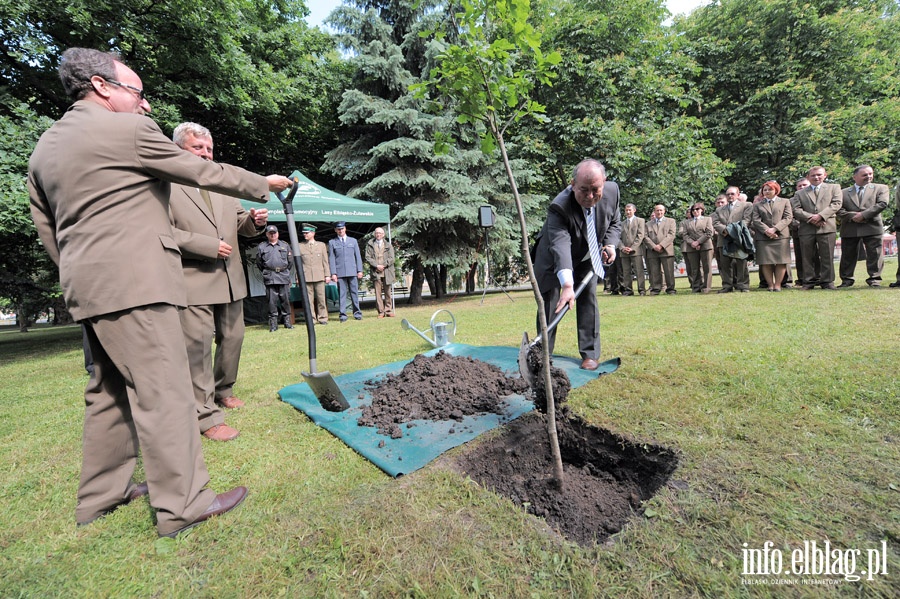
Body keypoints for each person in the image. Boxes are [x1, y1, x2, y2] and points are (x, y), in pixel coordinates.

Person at [27, 48, 292, 537]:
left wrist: (82, 275)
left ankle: (102, 495)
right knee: (166, 393)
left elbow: (49, 228)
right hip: (138, 286)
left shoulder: (44, 147)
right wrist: (263, 183)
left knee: (108, 391)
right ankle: (185, 504)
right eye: (138, 92)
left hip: (89, 287)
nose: (145, 106)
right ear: (102, 86)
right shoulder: (126, 131)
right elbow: (199, 171)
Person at [169, 122, 268, 442]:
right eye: (198, 148)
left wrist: (253, 222)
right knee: (197, 346)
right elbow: (160, 229)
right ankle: (204, 414)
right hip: (193, 277)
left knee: (234, 337)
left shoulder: (221, 184)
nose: (206, 154)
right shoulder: (166, 183)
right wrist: (205, 246)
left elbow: (240, 223)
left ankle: (223, 389)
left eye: (209, 149)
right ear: (179, 149)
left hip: (230, 277)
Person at [532, 159, 621, 370]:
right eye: (583, 190)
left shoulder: (612, 192)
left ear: (604, 182)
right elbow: (560, 246)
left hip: (587, 256)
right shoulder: (559, 207)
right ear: (573, 184)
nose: (590, 196)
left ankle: (590, 354)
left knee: (588, 299)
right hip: (553, 259)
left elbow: (615, 222)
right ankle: (543, 355)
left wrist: (610, 245)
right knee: (552, 304)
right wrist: (567, 286)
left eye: (595, 190)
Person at [790, 166, 842, 290]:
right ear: (808, 177)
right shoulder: (799, 193)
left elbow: (837, 204)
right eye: (813, 175)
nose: (816, 177)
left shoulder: (834, 188)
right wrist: (811, 218)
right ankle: (808, 282)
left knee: (827, 256)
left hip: (826, 226)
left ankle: (827, 282)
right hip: (807, 228)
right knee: (807, 257)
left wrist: (821, 216)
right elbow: (796, 209)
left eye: (819, 175)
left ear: (825, 175)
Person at [838, 165, 888, 287]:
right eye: (865, 175)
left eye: (870, 174)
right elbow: (838, 208)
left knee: (875, 254)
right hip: (850, 227)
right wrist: (853, 216)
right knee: (847, 255)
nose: (869, 177)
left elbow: (882, 204)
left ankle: (874, 279)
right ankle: (847, 280)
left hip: (872, 226)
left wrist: (864, 215)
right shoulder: (843, 192)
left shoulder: (881, 188)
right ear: (855, 177)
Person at [750, 181, 793, 292]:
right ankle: (770, 284)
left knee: (781, 261)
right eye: (765, 190)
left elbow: (788, 218)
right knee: (765, 261)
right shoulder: (757, 205)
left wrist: (775, 229)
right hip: (763, 237)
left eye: (770, 189)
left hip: (781, 236)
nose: (767, 191)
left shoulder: (785, 201)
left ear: (776, 190)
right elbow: (756, 220)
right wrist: (767, 230)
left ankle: (778, 285)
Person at [712, 186, 753, 292]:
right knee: (725, 264)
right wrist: (725, 231)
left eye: (732, 194)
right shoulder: (719, 209)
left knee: (741, 263)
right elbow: (716, 223)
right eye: (728, 194)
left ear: (738, 195)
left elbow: (746, 220)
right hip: (724, 238)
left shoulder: (746, 206)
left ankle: (743, 285)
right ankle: (727, 286)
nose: (730, 196)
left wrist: (733, 231)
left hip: (739, 238)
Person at [256, 225, 294, 331]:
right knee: (271, 301)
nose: (273, 235)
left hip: (283, 275)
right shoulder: (262, 247)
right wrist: (268, 271)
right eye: (270, 233)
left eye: (274, 233)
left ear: (278, 234)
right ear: (267, 234)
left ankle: (287, 322)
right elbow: (259, 263)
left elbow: (290, 262)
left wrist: (283, 270)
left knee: (285, 299)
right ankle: (273, 324)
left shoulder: (285, 245)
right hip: (270, 276)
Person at [328, 222, 364, 322]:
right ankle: (343, 314)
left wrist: (360, 270)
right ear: (335, 230)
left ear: (345, 229)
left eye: (342, 228)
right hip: (340, 272)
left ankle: (357, 313)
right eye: (338, 229)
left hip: (352, 271)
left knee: (354, 293)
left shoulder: (353, 241)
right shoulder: (332, 242)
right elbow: (331, 258)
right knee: (342, 294)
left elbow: (358, 257)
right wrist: (333, 273)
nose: (340, 231)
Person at [298, 223, 331, 324]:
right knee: (308, 300)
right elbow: (298, 264)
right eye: (304, 233)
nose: (305, 235)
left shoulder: (321, 245)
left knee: (321, 299)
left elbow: (325, 261)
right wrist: (298, 277)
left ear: (313, 233)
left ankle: (323, 318)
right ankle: (311, 319)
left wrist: (327, 275)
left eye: (307, 233)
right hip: (306, 276)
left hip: (319, 276)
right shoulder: (300, 246)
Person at [680, 202, 715, 293]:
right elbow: (685, 235)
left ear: (702, 210)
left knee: (706, 267)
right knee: (694, 268)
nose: (695, 211)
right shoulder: (687, 222)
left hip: (706, 246)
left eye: (697, 209)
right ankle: (696, 287)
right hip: (691, 247)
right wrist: (693, 243)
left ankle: (706, 287)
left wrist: (698, 242)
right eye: (693, 210)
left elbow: (709, 232)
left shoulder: (707, 219)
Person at [643, 204, 677, 295]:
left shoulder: (671, 221)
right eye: (657, 210)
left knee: (669, 271)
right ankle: (655, 289)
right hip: (653, 251)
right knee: (654, 271)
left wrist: (661, 245)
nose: (659, 212)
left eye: (661, 210)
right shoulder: (648, 224)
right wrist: (654, 246)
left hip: (666, 250)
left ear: (664, 211)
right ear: (654, 211)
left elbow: (671, 235)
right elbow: (645, 237)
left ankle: (670, 289)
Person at [364, 227, 396, 318]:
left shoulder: (388, 245)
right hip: (376, 271)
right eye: (377, 233)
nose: (378, 234)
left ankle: (388, 310)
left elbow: (392, 258)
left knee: (388, 292)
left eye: (380, 233)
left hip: (387, 271)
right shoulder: (370, 244)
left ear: (383, 235)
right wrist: (376, 266)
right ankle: (381, 312)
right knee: (378, 293)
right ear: (374, 234)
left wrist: (383, 265)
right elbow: (368, 257)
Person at [617, 203, 646, 296]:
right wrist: (622, 248)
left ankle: (641, 290)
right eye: (626, 210)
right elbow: (618, 238)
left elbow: (640, 235)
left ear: (634, 210)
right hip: (624, 252)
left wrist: (632, 248)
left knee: (639, 271)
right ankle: (628, 290)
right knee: (626, 272)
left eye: (630, 210)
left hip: (636, 251)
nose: (628, 212)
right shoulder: (621, 224)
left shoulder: (640, 221)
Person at [791, 177, 815, 287]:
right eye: (799, 186)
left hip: (816, 228)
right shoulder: (791, 200)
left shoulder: (815, 197)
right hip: (798, 231)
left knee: (816, 255)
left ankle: (818, 277)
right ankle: (801, 278)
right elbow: (789, 216)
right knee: (800, 256)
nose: (802, 187)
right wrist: (797, 223)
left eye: (804, 185)